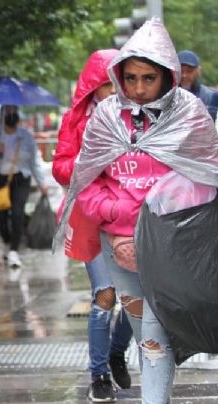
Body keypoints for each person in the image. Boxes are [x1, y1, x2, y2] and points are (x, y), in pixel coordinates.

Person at [55, 18, 218, 403]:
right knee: (150, 338)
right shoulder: (106, 117)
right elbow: (86, 181)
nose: (139, 88)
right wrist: (118, 225)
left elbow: (203, 179)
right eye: (130, 78)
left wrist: (139, 226)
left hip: (173, 248)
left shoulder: (190, 114)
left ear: (167, 76)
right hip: (119, 250)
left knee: (165, 333)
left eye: (149, 78)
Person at [53, 48, 133, 403]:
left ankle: (116, 351)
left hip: (130, 218)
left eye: (118, 86)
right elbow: (60, 168)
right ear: (93, 89)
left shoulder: (138, 118)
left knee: (137, 298)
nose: (113, 94)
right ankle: (98, 373)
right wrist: (92, 161)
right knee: (105, 295)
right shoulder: (75, 121)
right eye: (106, 87)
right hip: (91, 218)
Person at [0, 105, 47, 268]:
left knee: (17, 213)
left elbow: (34, 161)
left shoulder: (25, 136)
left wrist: (41, 182)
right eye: (7, 112)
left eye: (13, 111)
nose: (11, 114)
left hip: (21, 178)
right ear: (2, 115)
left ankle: (14, 250)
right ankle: (9, 242)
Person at [177, 50, 218, 120]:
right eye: (181, 71)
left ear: (198, 71)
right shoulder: (167, 96)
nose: (184, 75)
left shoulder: (212, 96)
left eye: (189, 71)